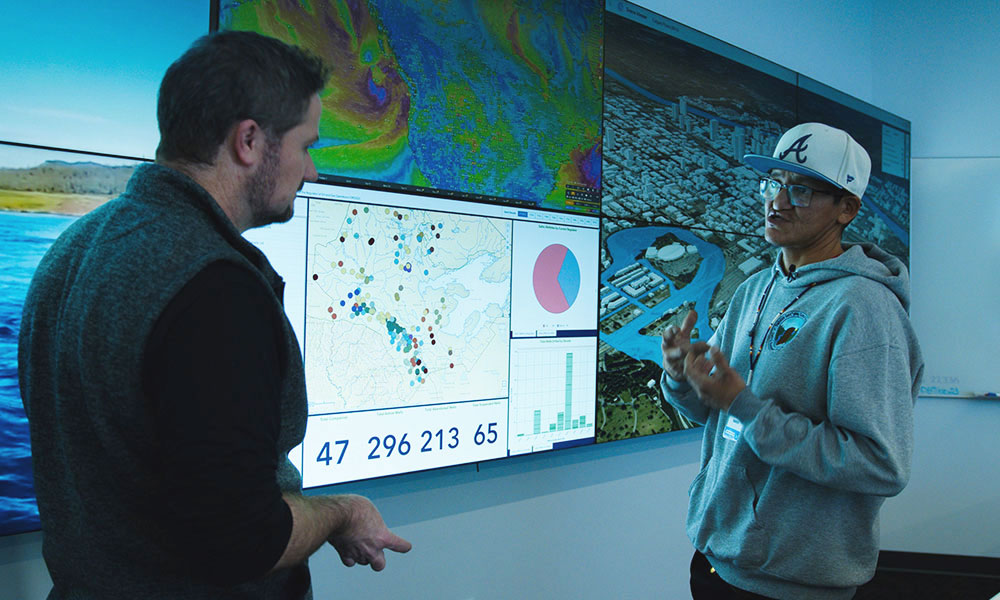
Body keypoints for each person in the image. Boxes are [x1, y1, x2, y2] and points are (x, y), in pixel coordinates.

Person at [18, 31, 410, 599]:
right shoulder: (214, 291)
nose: (312, 172)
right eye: (307, 147)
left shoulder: (69, 252)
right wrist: (342, 512)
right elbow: (242, 541)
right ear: (249, 141)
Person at [660, 122, 923, 600]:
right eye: (773, 184)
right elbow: (709, 414)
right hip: (717, 560)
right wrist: (682, 378)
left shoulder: (863, 308)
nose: (777, 202)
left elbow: (881, 465)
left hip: (793, 583)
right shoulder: (755, 288)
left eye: (799, 189)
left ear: (847, 209)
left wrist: (745, 406)